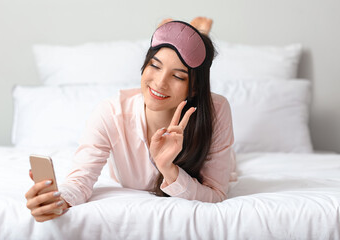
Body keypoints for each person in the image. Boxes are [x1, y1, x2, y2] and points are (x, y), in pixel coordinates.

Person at [25, 17, 237, 222]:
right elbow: (79, 182)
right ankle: (192, 33)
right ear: (144, 65)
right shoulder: (110, 113)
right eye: (155, 66)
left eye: (178, 76)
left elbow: (216, 193)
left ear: (194, 87)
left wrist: (169, 169)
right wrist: (57, 201)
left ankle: (197, 34)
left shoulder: (215, 110)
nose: (160, 83)